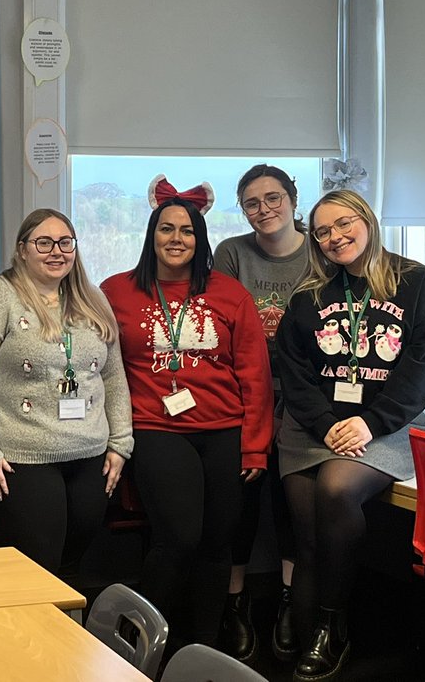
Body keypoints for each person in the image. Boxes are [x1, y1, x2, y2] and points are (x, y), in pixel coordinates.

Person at [275, 189, 425, 681]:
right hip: (313, 428)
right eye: (323, 231)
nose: (335, 237)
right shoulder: (310, 296)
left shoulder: (415, 283)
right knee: (306, 532)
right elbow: (295, 373)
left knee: (335, 488)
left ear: (367, 221)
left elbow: (423, 371)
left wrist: (370, 423)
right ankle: (309, 636)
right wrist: (328, 425)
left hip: (386, 427)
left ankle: (335, 629)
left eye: (343, 224)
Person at [101, 175, 272, 649]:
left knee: (218, 543)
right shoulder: (116, 291)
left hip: (225, 431)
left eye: (187, 231)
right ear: (151, 236)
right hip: (156, 428)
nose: (176, 239)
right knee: (178, 537)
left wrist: (255, 448)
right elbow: (96, 363)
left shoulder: (230, 294)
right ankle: (140, 644)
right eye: (166, 229)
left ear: (200, 239)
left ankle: (203, 648)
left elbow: (254, 375)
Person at [0, 209, 133, 573]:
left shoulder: (92, 298)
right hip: (24, 457)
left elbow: (114, 377)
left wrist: (121, 442)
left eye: (65, 242)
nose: (57, 251)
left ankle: (68, 630)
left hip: (91, 455)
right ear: (22, 249)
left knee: (74, 565)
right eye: (44, 242)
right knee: (40, 568)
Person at [213, 164, 308, 663]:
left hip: (305, 398)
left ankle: (291, 602)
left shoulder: (320, 252)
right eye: (252, 202)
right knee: (242, 499)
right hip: (243, 395)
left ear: (294, 199)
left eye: (274, 198)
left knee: (294, 499)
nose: (264, 209)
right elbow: (221, 326)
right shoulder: (231, 253)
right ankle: (235, 603)